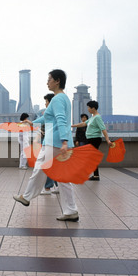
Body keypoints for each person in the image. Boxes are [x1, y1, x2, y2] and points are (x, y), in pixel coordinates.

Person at [14, 69, 79, 222]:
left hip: (54, 141)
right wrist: (33, 123)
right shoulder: (63, 98)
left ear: (57, 81)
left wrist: (63, 141)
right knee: (63, 178)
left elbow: (61, 120)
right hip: (60, 141)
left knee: (39, 168)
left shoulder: (57, 99)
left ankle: (26, 197)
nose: (47, 82)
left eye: (49, 79)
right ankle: (71, 211)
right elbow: (48, 119)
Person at [72, 100, 112, 181]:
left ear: (93, 108)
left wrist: (108, 140)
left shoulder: (97, 117)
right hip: (90, 139)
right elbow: (83, 124)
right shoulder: (92, 117)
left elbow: (103, 129)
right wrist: (72, 125)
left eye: (89, 107)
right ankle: (95, 175)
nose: (88, 109)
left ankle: (90, 174)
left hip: (95, 139)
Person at [38, 93, 59, 195]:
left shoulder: (49, 113)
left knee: (47, 165)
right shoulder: (57, 112)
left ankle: (47, 188)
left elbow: (44, 124)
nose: (45, 104)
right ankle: (57, 186)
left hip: (49, 141)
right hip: (54, 141)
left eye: (46, 101)